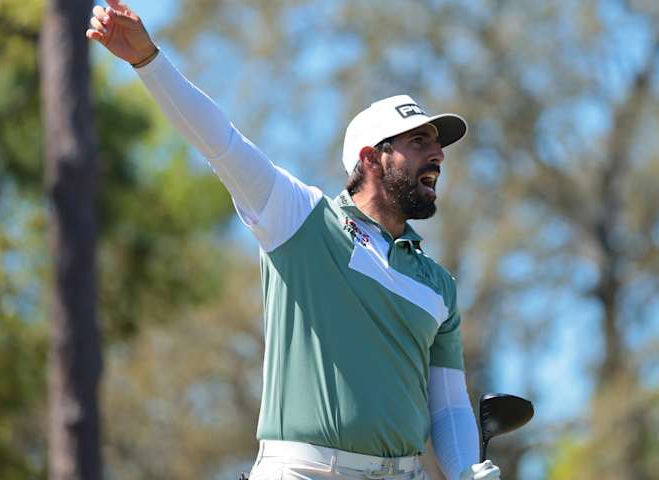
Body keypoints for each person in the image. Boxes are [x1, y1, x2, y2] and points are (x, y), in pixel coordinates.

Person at [87, 2, 502, 479]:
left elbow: (448, 407)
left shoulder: (439, 284)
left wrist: (468, 472)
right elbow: (221, 142)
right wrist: (148, 61)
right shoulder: (299, 217)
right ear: (371, 158)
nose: (438, 156)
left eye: (438, 145)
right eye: (419, 143)